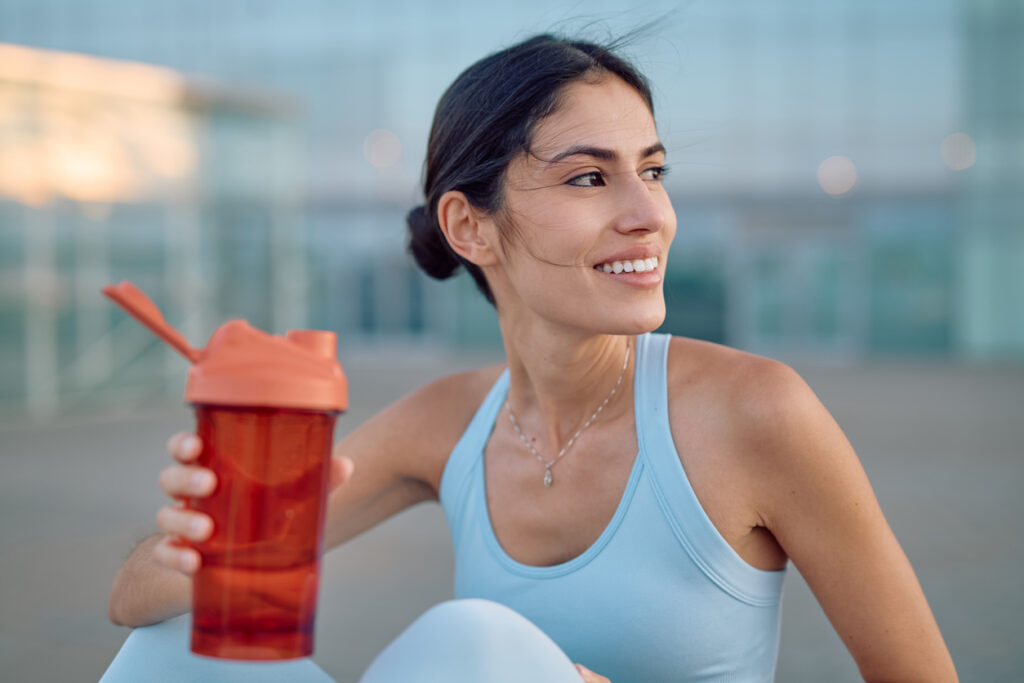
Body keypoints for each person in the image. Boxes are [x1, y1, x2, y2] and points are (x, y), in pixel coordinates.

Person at [104, 34, 958, 682]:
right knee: (174, 649)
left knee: (473, 642)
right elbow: (133, 606)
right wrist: (202, 545)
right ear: (470, 226)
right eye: (590, 178)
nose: (649, 215)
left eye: (651, 171)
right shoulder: (448, 423)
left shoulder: (754, 411)